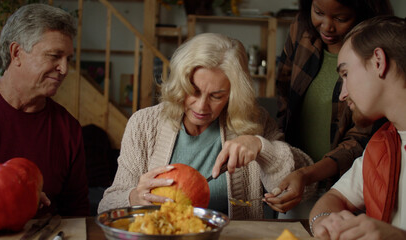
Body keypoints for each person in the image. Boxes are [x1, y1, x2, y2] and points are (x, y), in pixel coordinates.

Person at [98, 33, 315, 219]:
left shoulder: (254, 122)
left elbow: (307, 188)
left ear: (232, 95)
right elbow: (106, 205)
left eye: (216, 96)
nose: (201, 106)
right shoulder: (143, 125)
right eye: (193, 91)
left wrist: (262, 146)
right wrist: (135, 197)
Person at [265, 0, 393, 217]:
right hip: (294, 179)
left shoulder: (374, 51)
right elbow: (284, 94)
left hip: (344, 184)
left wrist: (308, 174)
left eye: (340, 18)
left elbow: (360, 139)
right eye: (318, 12)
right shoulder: (301, 29)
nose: (326, 26)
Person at [0, 3, 89, 216]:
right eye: (54, 56)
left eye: (68, 59)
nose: (64, 69)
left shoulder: (68, 129)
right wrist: (10, 193)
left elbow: (77, 212)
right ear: (17, 53)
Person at [309, 15, 406, 239]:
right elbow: (334, 198)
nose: (342, 95)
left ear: (378, 62)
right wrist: (324, 221)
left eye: (345, 74)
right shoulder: (382, 146)